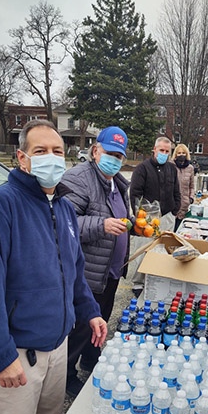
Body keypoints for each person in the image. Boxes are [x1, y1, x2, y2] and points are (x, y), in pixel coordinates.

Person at [0, 119, 108, 414]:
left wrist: (91, 311)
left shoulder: (63, 208)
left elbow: (73, 273)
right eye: (41, 151)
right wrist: (0, 356)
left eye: (57, 151)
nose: (52, 157)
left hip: (58, 348)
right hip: (19, 354)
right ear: (23, 158)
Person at [57, 126, 132, 397]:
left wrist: (134, 225)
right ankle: (66, 376)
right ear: (95, 150)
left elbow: (121, 216)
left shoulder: (117, 183)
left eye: (119, 156)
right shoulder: (79, 178)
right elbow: (63, 222)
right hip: (88, 271)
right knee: (80, 327)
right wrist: (101, 225)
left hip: (110, 271)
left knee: (101, 320)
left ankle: (91, 359)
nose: (114, 159)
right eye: (109, 153)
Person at [128, 136, 182, 297]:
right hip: (147, 219)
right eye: (161, 150)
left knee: (163, 250)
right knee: (143, 250)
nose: (164, 153)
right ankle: (138, 283)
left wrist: (175, 210)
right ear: (154, 149)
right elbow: (135, 194)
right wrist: (141, 217)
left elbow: (176, 191)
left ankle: (157, 279)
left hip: (167, 216)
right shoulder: (142, 169)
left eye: (167, 151)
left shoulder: (172, 169)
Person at [171, 143, 195, 231]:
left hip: (184, 204)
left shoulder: (190, 168)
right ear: (175, 154)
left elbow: (192, 186)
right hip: (172, 204)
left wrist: (191, 198)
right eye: (179, 153)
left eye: (183, 153)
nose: (181, 155)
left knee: (180, 230)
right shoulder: (170, 166)